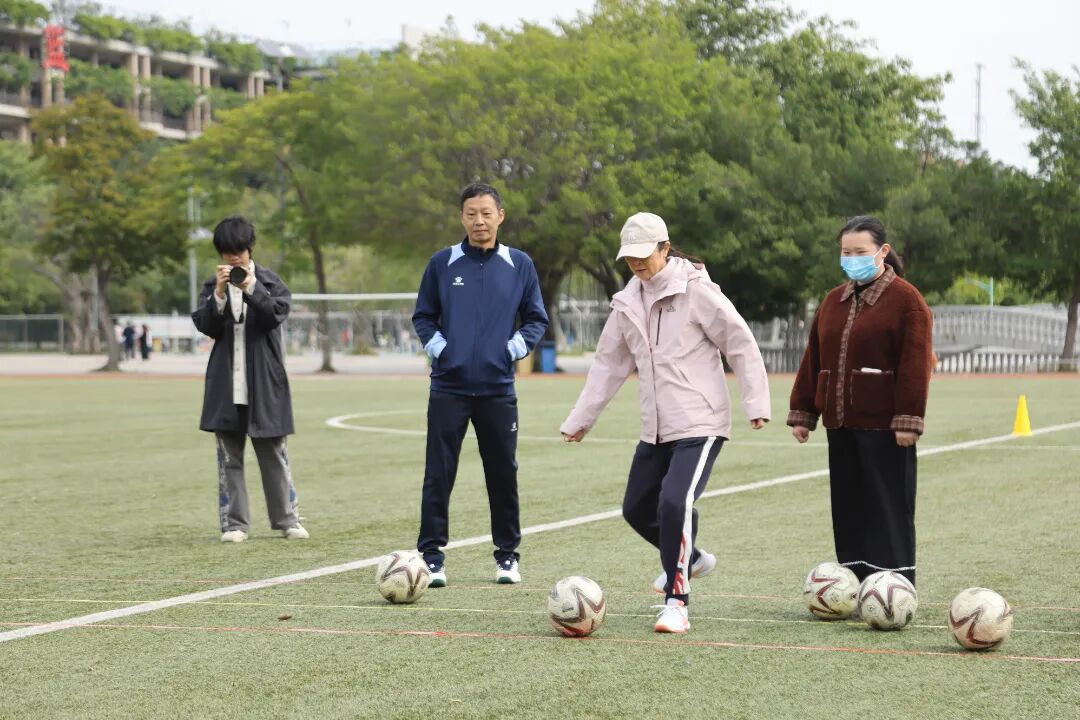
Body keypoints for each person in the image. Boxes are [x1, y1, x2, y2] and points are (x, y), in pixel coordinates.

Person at [560, 212, 771, 634]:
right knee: (637, 508)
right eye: (629, 256)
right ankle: (692, 558)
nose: (636, 263)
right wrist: (582, 419)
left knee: (674, 503)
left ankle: (677, 603)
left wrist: (755, 403)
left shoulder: (697, 291)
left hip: (701, 421)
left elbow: (740, 343)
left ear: (665, 248)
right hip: (656, 427)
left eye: (644, 254)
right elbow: (609, 364)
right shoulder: (626, 303)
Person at [412, 183, 549, 587]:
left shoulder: (519, 264)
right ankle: (431, 557)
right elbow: (423, 316)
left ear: (500, 216)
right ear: (462, 217)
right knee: (438, 474)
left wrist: (510, 350)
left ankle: (507, 556)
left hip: (497, 389)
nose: (479, 221)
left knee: (503, 473)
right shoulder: (442, 263)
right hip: (448, 389)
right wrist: (442, 350)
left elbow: (536, 318)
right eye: (471, 213)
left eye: (486, 213)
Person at [787, 215, 933, 587]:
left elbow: (915, 364)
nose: (852, 259)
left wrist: (908, 419)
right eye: (846, 252)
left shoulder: (906, 300)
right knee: (849, 506)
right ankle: (853, 581)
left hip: (885, 427)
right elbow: (813, 358)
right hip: (840, 425)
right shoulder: (832, 301)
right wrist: (803, 412)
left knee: (888, 507)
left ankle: (894, 585)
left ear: (882, 251)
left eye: (860, 252)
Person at [191, 216, 309, 543]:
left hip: (265, 382)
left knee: (274, 454)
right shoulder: (211, 285)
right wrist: (218, 293)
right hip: (225, 383)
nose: (233, 258)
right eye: (227, 252)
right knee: (229, 458)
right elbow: (205, 325)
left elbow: (274, 315)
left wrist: (251, 288)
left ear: (250, 248)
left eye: (239, 251)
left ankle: (287, 520)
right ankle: (234, 524)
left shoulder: (270, 282)